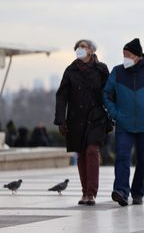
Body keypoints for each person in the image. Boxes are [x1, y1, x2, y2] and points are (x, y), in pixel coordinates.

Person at [54, 39, 109, 206]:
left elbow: (110, 92)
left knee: (92, 151)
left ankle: (91, 193)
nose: (80, 49)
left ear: (91, 50)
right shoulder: (70, 70)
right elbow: (61, 96)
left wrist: (112, 113)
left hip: (96, 117)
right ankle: (84, 192)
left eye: (84, 47)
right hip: (76, 119)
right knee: (81, 154)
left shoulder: (101, 69)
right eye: (78, 47)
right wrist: (60, 120)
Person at [103, 38, 144, 206]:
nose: (125, 58)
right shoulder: (117, 72)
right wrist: (115, 113)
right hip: (124, 124)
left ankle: (138, 193)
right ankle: (121, 192)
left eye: (128, 55)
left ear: (138, 56)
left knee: (143, 161)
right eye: (124, 54)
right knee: (122, 158)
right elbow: (106, 95)